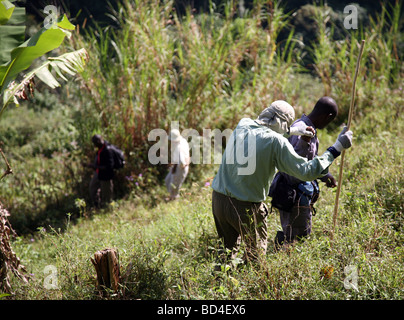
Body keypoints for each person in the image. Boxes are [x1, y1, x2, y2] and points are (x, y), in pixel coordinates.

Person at [211, 100, 353, 262]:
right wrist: (336, 148)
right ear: (284, 123)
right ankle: (251, 286)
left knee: (225, 254)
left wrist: (292, 131)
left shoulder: (244, 124)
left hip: (219, 200)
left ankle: (220, 284)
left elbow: (263, 132)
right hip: (245, 207)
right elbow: (306, 172)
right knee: (255, 258)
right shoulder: (276, 143)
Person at [270, 97, 338, 249]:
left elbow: (309, 162)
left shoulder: (308, 127)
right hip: (292, 191)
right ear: (328, 117)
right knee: (294, 237)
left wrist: (324, 175)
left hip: (300, 192)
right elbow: (294, 166)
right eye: (330, 122)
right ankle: (283, 261)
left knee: (298, 233)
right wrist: (305, 142)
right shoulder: (301, 129)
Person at [84, 134, 114, 208]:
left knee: (107, 195)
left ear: (98, 141)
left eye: (95, 143)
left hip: (106, 176)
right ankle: (97, 206)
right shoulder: (100, 149)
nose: (94, 145)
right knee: (92, 189)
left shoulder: (107, 150)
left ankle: (107, 209)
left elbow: (110, 166)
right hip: (98, 173)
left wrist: (95, 166)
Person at [165, 129, 190, 201]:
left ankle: (174, 200)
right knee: (168, 180)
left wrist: (176, 168)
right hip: (178, 166)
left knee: (174, 185)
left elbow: (182, 162)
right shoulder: (183, 141)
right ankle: (172, 197)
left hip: (180, 168)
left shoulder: (179, 147)